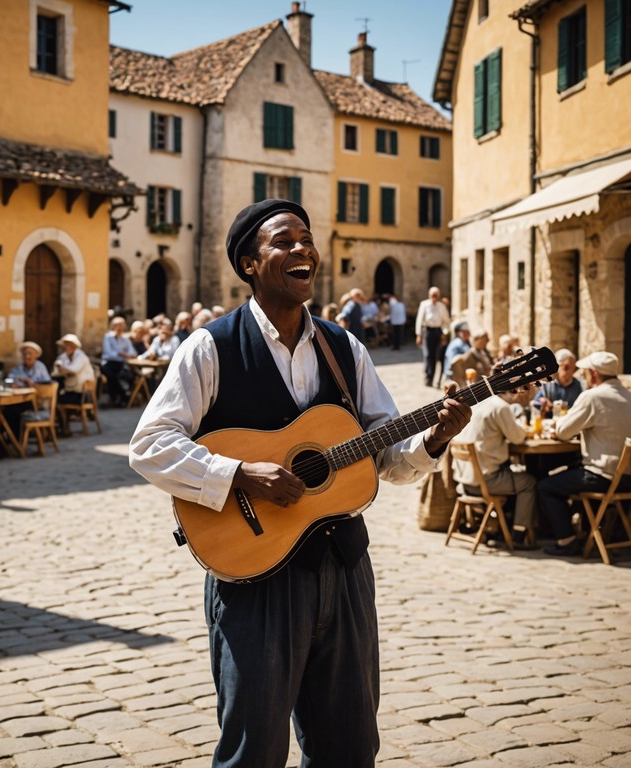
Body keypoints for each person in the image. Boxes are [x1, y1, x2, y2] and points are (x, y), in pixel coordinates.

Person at [128, 199, 471, 766]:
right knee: (254, 751)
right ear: (249, 264)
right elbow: (149, 445)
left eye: (306, 240)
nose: (302, 250)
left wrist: (434, 438)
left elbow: (384, 453)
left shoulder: (344, 348)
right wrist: (237, 472)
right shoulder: (210, 346)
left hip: (344, 570)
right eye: (284, 242)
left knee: (351, 744)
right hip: (255, 578)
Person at [537, 351, 631, 556]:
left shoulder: (593, 396)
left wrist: (557, 425)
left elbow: (563, 432)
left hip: (604, 475)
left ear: (594, 374)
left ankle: (567, 540)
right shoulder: (628, 397)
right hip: (626, 478)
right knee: (570, 471)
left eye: (587, 372)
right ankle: (586, 532)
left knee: (546, 485)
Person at [452, 388, 539, 548]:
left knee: (515, 475)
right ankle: (518, 535)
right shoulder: (500, 407)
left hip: (465, 480)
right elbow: (518, 437)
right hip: (484, 481)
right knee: (529, 482)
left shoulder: (482, 403)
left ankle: (501, 525)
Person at [415, 286, 451, 387]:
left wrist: (445, 333)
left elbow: (446, 321)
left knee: (437, 356)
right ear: (429, 295)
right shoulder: (424, 305)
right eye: (432, 295)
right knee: (428, 355)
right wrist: (419, 334)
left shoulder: (441, 306)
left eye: (436, 296)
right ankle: (428, 377)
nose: (434, 297)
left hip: (438, 332)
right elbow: (419, 320)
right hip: (428, 331)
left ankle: (435, 378)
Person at [532, 348, 583, 417]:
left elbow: (581, 408)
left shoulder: (577, 385)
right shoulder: (548, 384)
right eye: (565, 367)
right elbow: (536, 402)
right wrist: (543, 401)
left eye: (573, 368)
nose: (570, 371)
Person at [101, 317, 136, 407]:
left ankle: (120, 397)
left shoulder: (125, 339)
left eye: (121, 325)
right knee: (112, 375)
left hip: (120, 364)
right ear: (113, 326)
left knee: (123, 374)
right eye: (117, 325)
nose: (119, 328)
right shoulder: (108, 337)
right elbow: (108, 353)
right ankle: (122, 397)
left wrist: (126, 355)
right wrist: (121, 354)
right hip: (108, 363)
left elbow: (132, 352)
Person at [53, 333, 94, 405]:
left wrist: (63, 369)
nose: (67, 347)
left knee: (58, 398)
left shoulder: (81, 356)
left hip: (82, 393)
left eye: (70, 345)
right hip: (70, 389)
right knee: (55, 389)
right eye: (66, 345)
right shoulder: (63, 356)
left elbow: (74, 369)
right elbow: (56, 370)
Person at [442, 322, 472, 387]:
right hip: (453, 377)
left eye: (467, 331)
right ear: (458, 333)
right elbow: (452, 364)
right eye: (464, 332)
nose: (467, 333)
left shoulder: (465, 343)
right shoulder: (456, 344)